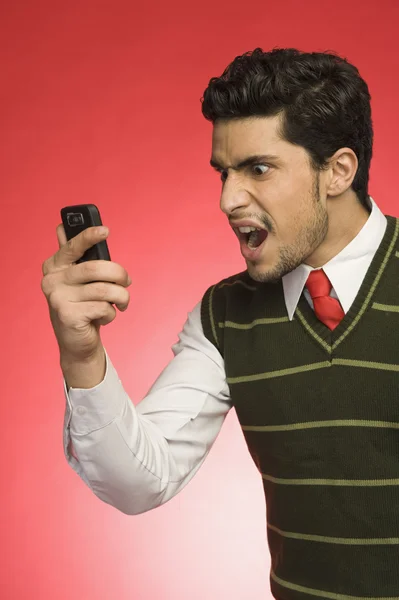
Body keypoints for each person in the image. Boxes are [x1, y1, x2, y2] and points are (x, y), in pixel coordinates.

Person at [41, 47, 399, 598]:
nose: (228, 200)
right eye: (224, 173)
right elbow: (141, 480)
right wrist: (82, 355)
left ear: (338, 171)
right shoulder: (225, 316)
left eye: (258, 168)